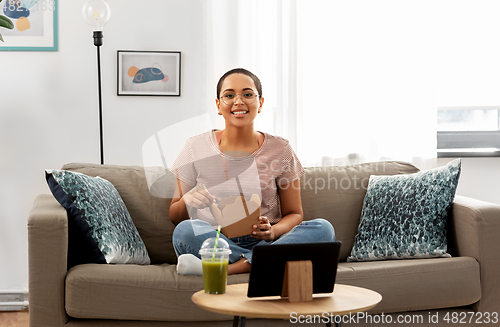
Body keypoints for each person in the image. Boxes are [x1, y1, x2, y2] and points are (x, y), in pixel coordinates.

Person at [169, 68, 335, 275]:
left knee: (323, 228)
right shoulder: (195, 147)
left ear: (261, 103)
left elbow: (295, 214)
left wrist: (273, 231)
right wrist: (187, 199)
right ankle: (265, 261)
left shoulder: (281, 149)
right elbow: (175, 216)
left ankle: (228, 269)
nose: (239, 102)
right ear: (218, 105)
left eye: (247, 94)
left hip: (267, 240)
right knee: (184, 231)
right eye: (229, 96)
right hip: (217, 240)